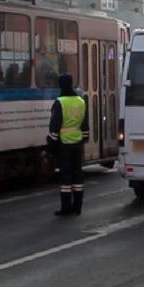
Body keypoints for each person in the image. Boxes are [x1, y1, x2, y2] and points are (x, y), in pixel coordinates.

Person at [48, 73, 89, 216]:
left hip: (64, 144)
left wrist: (52, 143)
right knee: (78, 175)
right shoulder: (81, 101)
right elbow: (85, 123)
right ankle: (77, 207)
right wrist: (84, 138)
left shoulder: (60, 102)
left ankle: (65, 207)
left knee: (66, 177)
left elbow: (54, 125)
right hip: (78, 143)